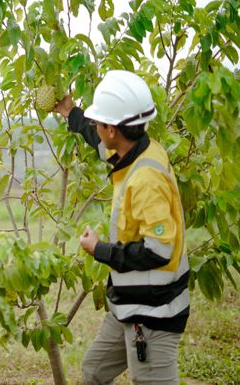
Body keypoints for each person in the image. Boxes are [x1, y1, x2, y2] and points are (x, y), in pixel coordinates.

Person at [53, 70, 189, 384]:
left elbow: (159, 251)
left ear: (113, 130)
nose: (96, 129)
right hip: (129, 304)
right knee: (94, 371)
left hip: (156, 311)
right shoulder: (134, 147)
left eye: (99, 123)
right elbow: (97, 141)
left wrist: (99, 250)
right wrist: (71, 113)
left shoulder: (145, 179)